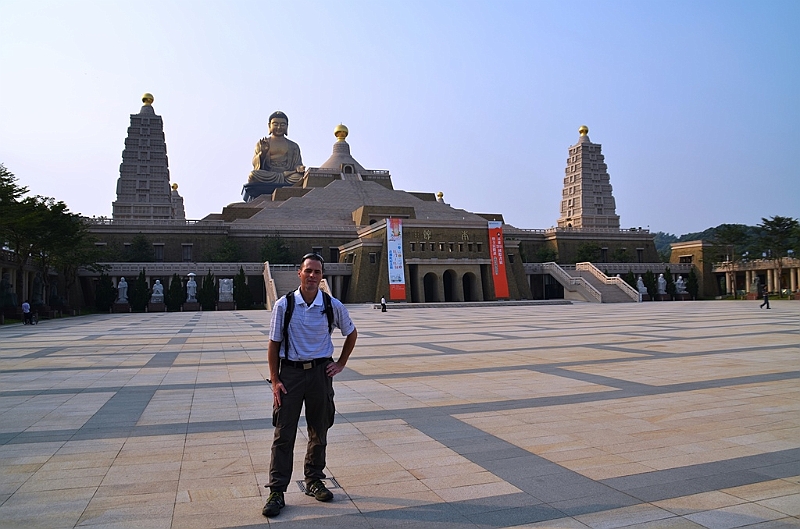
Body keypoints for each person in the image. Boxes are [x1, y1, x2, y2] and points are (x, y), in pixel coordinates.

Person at [262, 253, 357, 518]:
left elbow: (351, 333)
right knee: (284, 433)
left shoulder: (331, 305)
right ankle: (277, 490)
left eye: (317, 271)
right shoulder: (284, 305)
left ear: (322, 275)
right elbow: (273, 344)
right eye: (308, 271)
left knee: (319, 429)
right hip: (290, 375)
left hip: (319, 374)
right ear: (299, 273)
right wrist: (275, 380)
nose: (313, 276)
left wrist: (340, 363)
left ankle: (314, 479)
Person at [248, 111, 305, 184]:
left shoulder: (293, 146)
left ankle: (283, 178)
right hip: (269, 175)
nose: (279, 127)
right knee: (253, 175)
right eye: (275, 124)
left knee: (301, 178)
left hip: (288, 176)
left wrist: (299, 167)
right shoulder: (262, 143)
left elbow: (297, 164)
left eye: (282, 125)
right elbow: (256, 165)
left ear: (287, 126)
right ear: (269, 126)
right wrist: (263, 153)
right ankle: (281, 178)